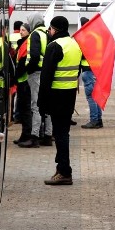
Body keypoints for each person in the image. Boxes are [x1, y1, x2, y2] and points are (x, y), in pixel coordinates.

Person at [38, 16, 81, 185]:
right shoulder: (75, 44)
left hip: (56, 96)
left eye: (50, 29)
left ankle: (64, 171)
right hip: (69, 95)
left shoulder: (54, 46)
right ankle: (61, 168)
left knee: (60, 134)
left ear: (54, 29)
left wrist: (42, 102)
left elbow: (46, 77)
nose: (49, 32)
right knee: (63, 132)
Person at [19, 12, 53, 147]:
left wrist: (29, 70)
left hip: (36, 73)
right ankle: (48, 136)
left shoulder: (35, 34)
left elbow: (34, 55)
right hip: (47, 73)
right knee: (48, 106)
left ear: (33, 21)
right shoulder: (47, 33)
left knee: (36, 106)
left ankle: (34, 137)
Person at [77, 17, 103, 129]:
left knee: (91, 96)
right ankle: (98, 120)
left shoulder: (87, 37)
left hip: (88, 70)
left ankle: (94, 120)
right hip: (96, 69)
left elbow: (83, 54)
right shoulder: (96, 36)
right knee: (96, 96)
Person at [13, 23, 34, 146]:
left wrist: (15, 77)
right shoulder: (22, 43)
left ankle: (26, 135)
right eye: (20, 30)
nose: (21, 32)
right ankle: (24, 135)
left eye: (24, 30)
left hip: (25, 82)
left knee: (26, 111)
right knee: (23, 111)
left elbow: (22, 64)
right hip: (22, 82)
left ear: (29, 31)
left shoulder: (26, 44)